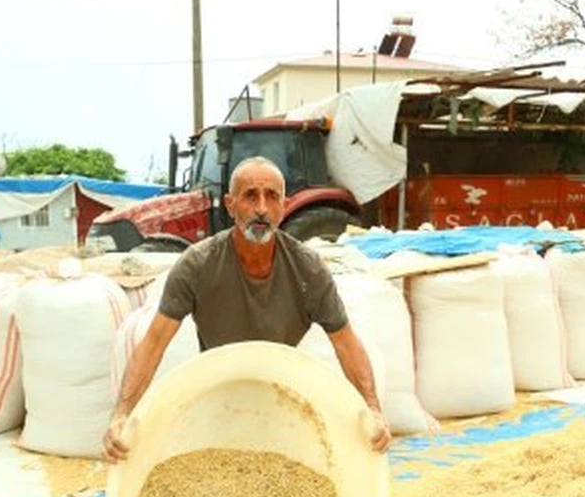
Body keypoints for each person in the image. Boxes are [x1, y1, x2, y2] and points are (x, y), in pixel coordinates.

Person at [103, 156, 390, 461]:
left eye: (272, 197)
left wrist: (372, 408)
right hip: (219, 396)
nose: (262, 209)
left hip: (281, 396)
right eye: (251, 196)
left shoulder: (308, 270)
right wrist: (122, 414)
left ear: (285, 205)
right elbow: (153, 344)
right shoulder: (198, 265)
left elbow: (346, 344)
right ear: (230, 204)